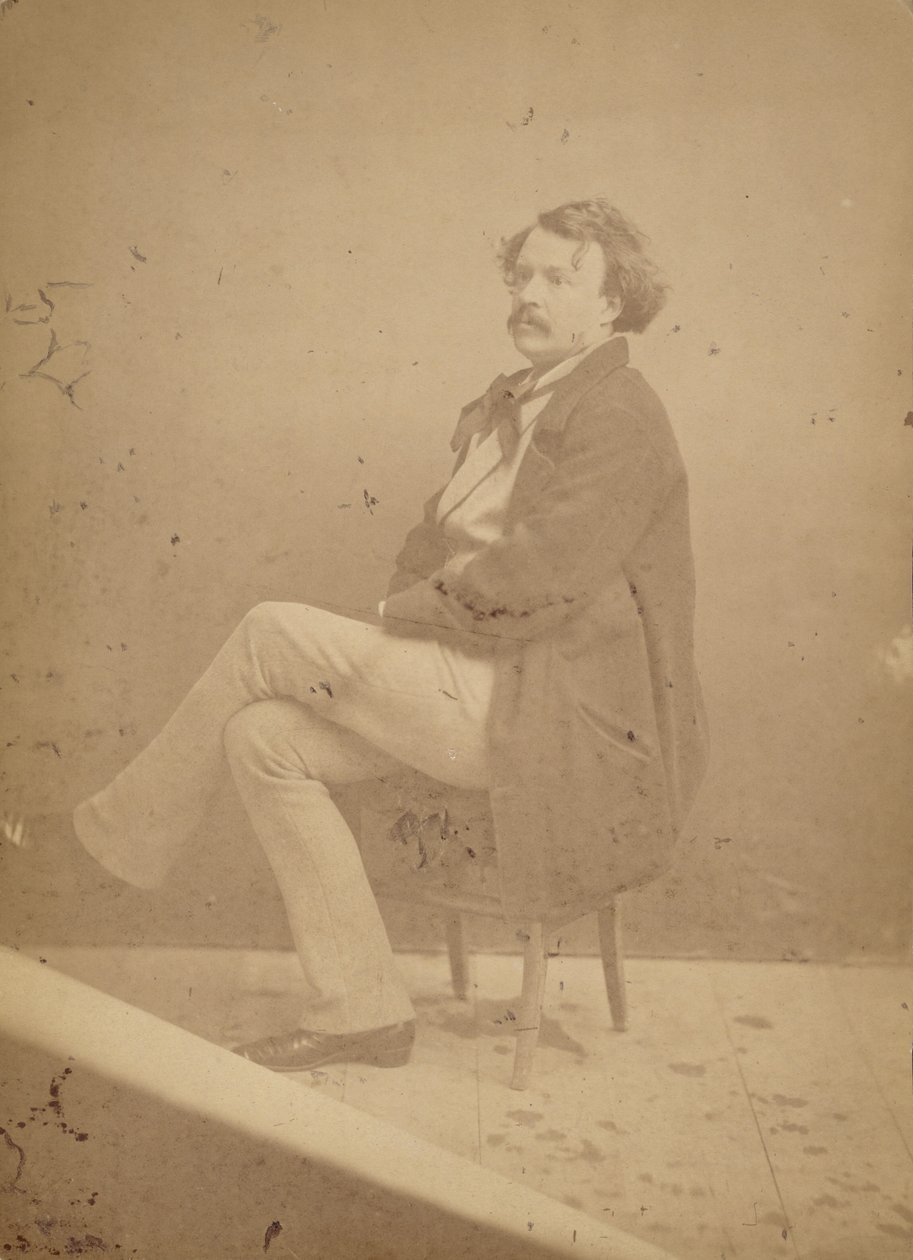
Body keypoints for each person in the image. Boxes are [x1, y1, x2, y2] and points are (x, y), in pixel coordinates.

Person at [68, 198, 708, 1072]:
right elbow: (431, 545)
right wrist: (400, 632)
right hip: (476, 686)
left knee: (268, 631)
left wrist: (388, 624)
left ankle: (106, 846)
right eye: (521, 275)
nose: (529, 294)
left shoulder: (619, 415)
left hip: (556, 718)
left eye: (559, 279)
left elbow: (539, 575)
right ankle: (362, 1011)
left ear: (610, 304)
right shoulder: (514, 404)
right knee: (262, 739)